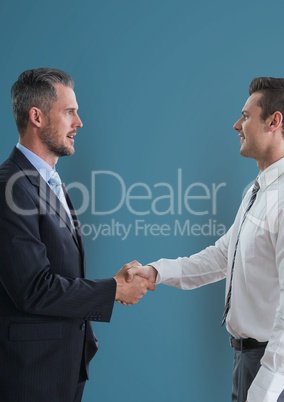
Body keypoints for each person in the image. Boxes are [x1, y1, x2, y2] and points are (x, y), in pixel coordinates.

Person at [0, 68, 155, 402]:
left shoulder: (48, 182)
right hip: (29, 376)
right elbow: (33, 288)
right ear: (37, 117)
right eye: (69, 112)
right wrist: (113, 289)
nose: (79, 122)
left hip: (62, 369)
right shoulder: (9, 188)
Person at [127, 77, 284, 402]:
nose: (235, 124)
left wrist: (263, 394)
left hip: (270, 373)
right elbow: (223, 256)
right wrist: (157, 272)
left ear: (275, 121)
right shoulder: (257, 191)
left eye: (246, 115)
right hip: (246, 362)